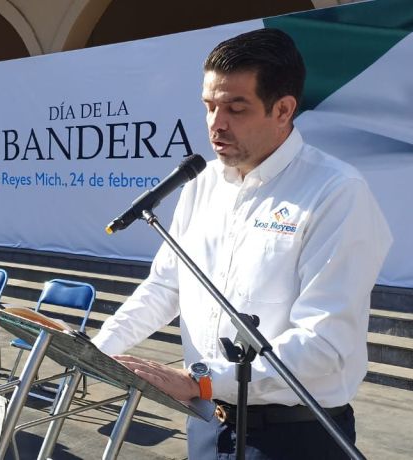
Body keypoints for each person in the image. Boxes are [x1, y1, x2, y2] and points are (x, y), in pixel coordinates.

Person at [90, 29, 392, 460]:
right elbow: (166, 286)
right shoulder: (202, 185)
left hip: (293, 437)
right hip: (207, 423)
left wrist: (200, 379)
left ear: (283, 109)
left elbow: (323, 342)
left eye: (235, 108)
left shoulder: (336, 193)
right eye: (209, 106)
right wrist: (98, 349)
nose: (216, 123)